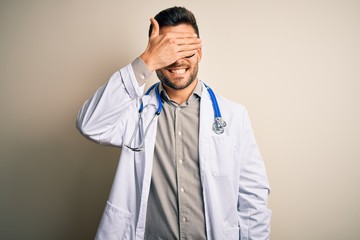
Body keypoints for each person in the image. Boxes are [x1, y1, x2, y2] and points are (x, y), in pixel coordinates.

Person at [76, 6, 271, 240]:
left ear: (199, 52)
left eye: (186, 50)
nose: (177, 60)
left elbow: (253, 197)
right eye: (168, 50)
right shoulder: (135, 112)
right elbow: (89, 123)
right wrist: (146, 61)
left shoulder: (234, 116)